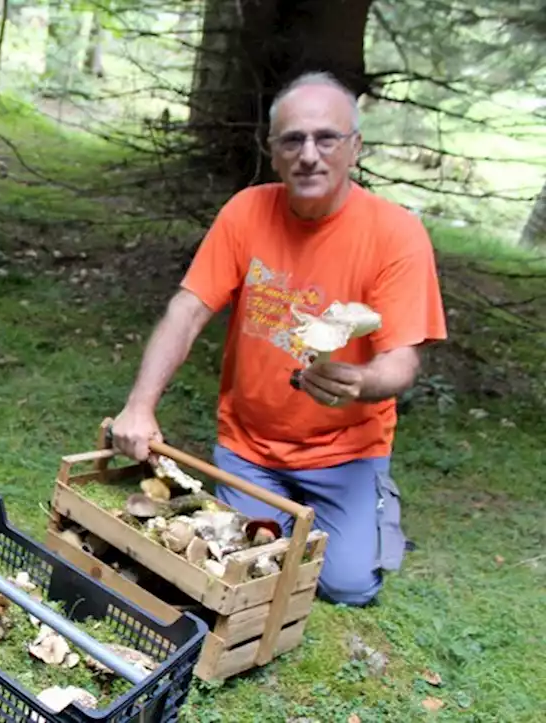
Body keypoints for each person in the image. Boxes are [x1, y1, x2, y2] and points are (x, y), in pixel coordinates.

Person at [108, 71, 447, 607]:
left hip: (345, 453)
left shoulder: (396, 233)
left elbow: (402, 362)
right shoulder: (246, 211)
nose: (309, 154)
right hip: (249, 448)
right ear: (273, 151)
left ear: (354, 147)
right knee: (238, 563)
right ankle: (281, 522)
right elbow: (188, 310)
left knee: (348, 586)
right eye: (293, 139)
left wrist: (360, 381)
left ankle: (361, 513)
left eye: (326, 138)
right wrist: (139, 406)